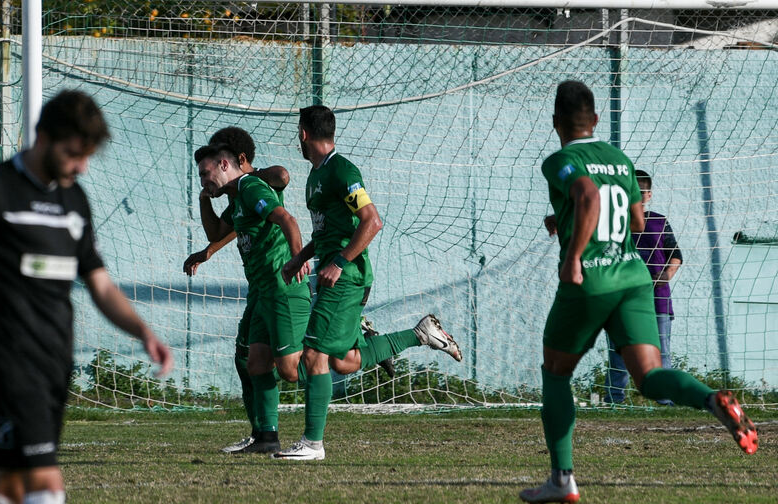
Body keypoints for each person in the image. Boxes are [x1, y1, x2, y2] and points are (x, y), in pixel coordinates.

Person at [521, 81, 757, 503]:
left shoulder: (562, 159)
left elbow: (588, 196)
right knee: (649, 378)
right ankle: (711, 399)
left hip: (591, 277)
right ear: (595, 120)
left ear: (556, 121)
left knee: (555, 372)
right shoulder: (620, 159)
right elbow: (637, 224)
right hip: (633, 277)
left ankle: (561, 480)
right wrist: (568, 221)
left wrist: (574, 253)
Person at [0, 90, 173, 504]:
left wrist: (143, 331)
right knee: (46, 484)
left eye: (86, 156)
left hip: (55, 361)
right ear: (44, 137)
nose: (81, 167)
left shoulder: (75, 200)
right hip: (10, 362)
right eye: (73, 154)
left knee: (13, 484)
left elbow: (100, 285)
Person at [276, 105, 463, 461]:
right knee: (345, 360)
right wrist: (301, 258)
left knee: (313, 353)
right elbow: (328, 231)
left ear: (303, 134)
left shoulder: (342, 171)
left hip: (347, 278)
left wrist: (340, 262)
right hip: (339, 274)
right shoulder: (316, 176)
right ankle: (421, 333)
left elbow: (372, 221)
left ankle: (312, 443)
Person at [183, 127, 296, 454]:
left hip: (278, 283)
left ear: (233, 161)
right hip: (259, 287)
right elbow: (226, 228)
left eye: (210, 170)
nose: (206, 177)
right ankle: (264, 435)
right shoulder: (239, 195)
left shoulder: (252, 183)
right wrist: (209, 249)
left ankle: (354, 340)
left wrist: (247, 174)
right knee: (249, 358)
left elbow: (282, 177)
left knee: (289, 368)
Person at [603, 169, 682, 405]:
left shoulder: (659, 222)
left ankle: (666, 401)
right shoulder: (612, 224)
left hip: (657, 299)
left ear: (648, 195)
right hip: (622, 299)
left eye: (640, 193)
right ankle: (614, 399)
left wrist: (665, 276)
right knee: (620, 352)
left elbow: (675, 255)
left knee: (661, 352)